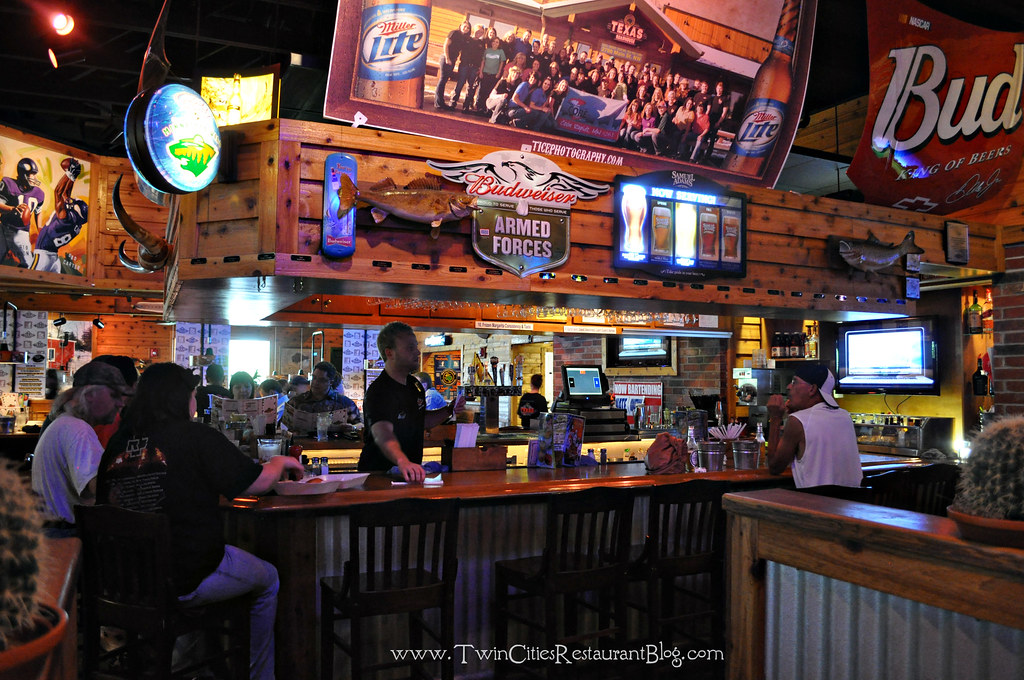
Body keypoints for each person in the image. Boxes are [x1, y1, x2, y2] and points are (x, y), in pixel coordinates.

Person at [96, 362, 303, 680]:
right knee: (268, 579)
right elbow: (255, 484)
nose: (196, 402)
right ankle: (260, 676)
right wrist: (278, 461)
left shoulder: (117, 444)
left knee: (192, 581)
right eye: (193, 394)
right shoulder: (195, 437)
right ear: (181, 398)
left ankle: (185, 669)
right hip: (183, 576)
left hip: (125, 581)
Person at [31, 360, 133, 534]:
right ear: (90, 394)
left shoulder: (64, 424)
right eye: (114, 395)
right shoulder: (78, 430)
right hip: (68, 536)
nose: (121, 403)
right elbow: (101, 490)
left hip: (53, 534)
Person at [359, 322, 465, 482]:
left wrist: (449, 410)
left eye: (415, 346)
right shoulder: (379, 391)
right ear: (390, 353)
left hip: (409, 473)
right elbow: (383, 434)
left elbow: (420, 420)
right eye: (410, 348)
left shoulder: (415, 386)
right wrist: (402, 461)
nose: (417, 352)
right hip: (379, 476)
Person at [765, 364, 862, 488]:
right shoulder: (845, 416)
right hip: (853, 503)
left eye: (794, 382)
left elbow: (774, 467)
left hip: (817, 504)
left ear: (812, 389)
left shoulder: (797, 421)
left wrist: (775, 418)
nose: (788, 387)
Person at [288, 361, 362, 427]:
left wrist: (353, 427)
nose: (316, 382)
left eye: (322, 380)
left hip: (335, 442)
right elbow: (283, 425)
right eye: (314, 378)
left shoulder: (345, 403)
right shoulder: (296, 401)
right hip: (301, 442)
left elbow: (360, 425)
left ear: (331, 382)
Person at [434, 20, 470, 109]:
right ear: (460, 26)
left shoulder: (464, 38)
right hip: (446, 59)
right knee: (442, 80)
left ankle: (440, 102)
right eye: (464, 26)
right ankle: (438, 103)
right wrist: (447, 58)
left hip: (452, 60)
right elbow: (445, 45)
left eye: (468, 28)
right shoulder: (454, 33)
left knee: (445, 80)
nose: (466, 28)